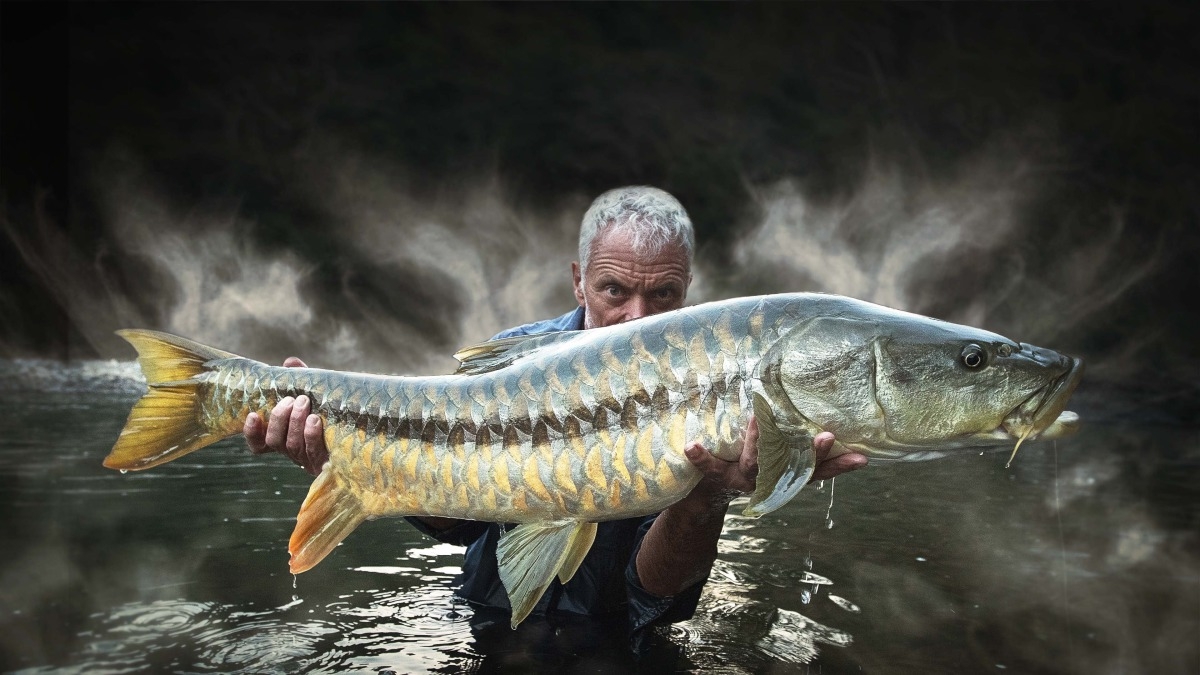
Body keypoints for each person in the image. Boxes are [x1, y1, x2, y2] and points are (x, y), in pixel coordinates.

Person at [244, 186, 868, 654]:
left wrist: (707, 492)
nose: (637, 317)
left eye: (664, 296)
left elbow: (655, 595)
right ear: (579, 282)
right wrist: (344, 460)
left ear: (688, 293)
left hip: (629, 634)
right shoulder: (517, 357)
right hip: (489, 621)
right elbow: (459, 518)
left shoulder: (713, 385)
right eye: (614, 291)